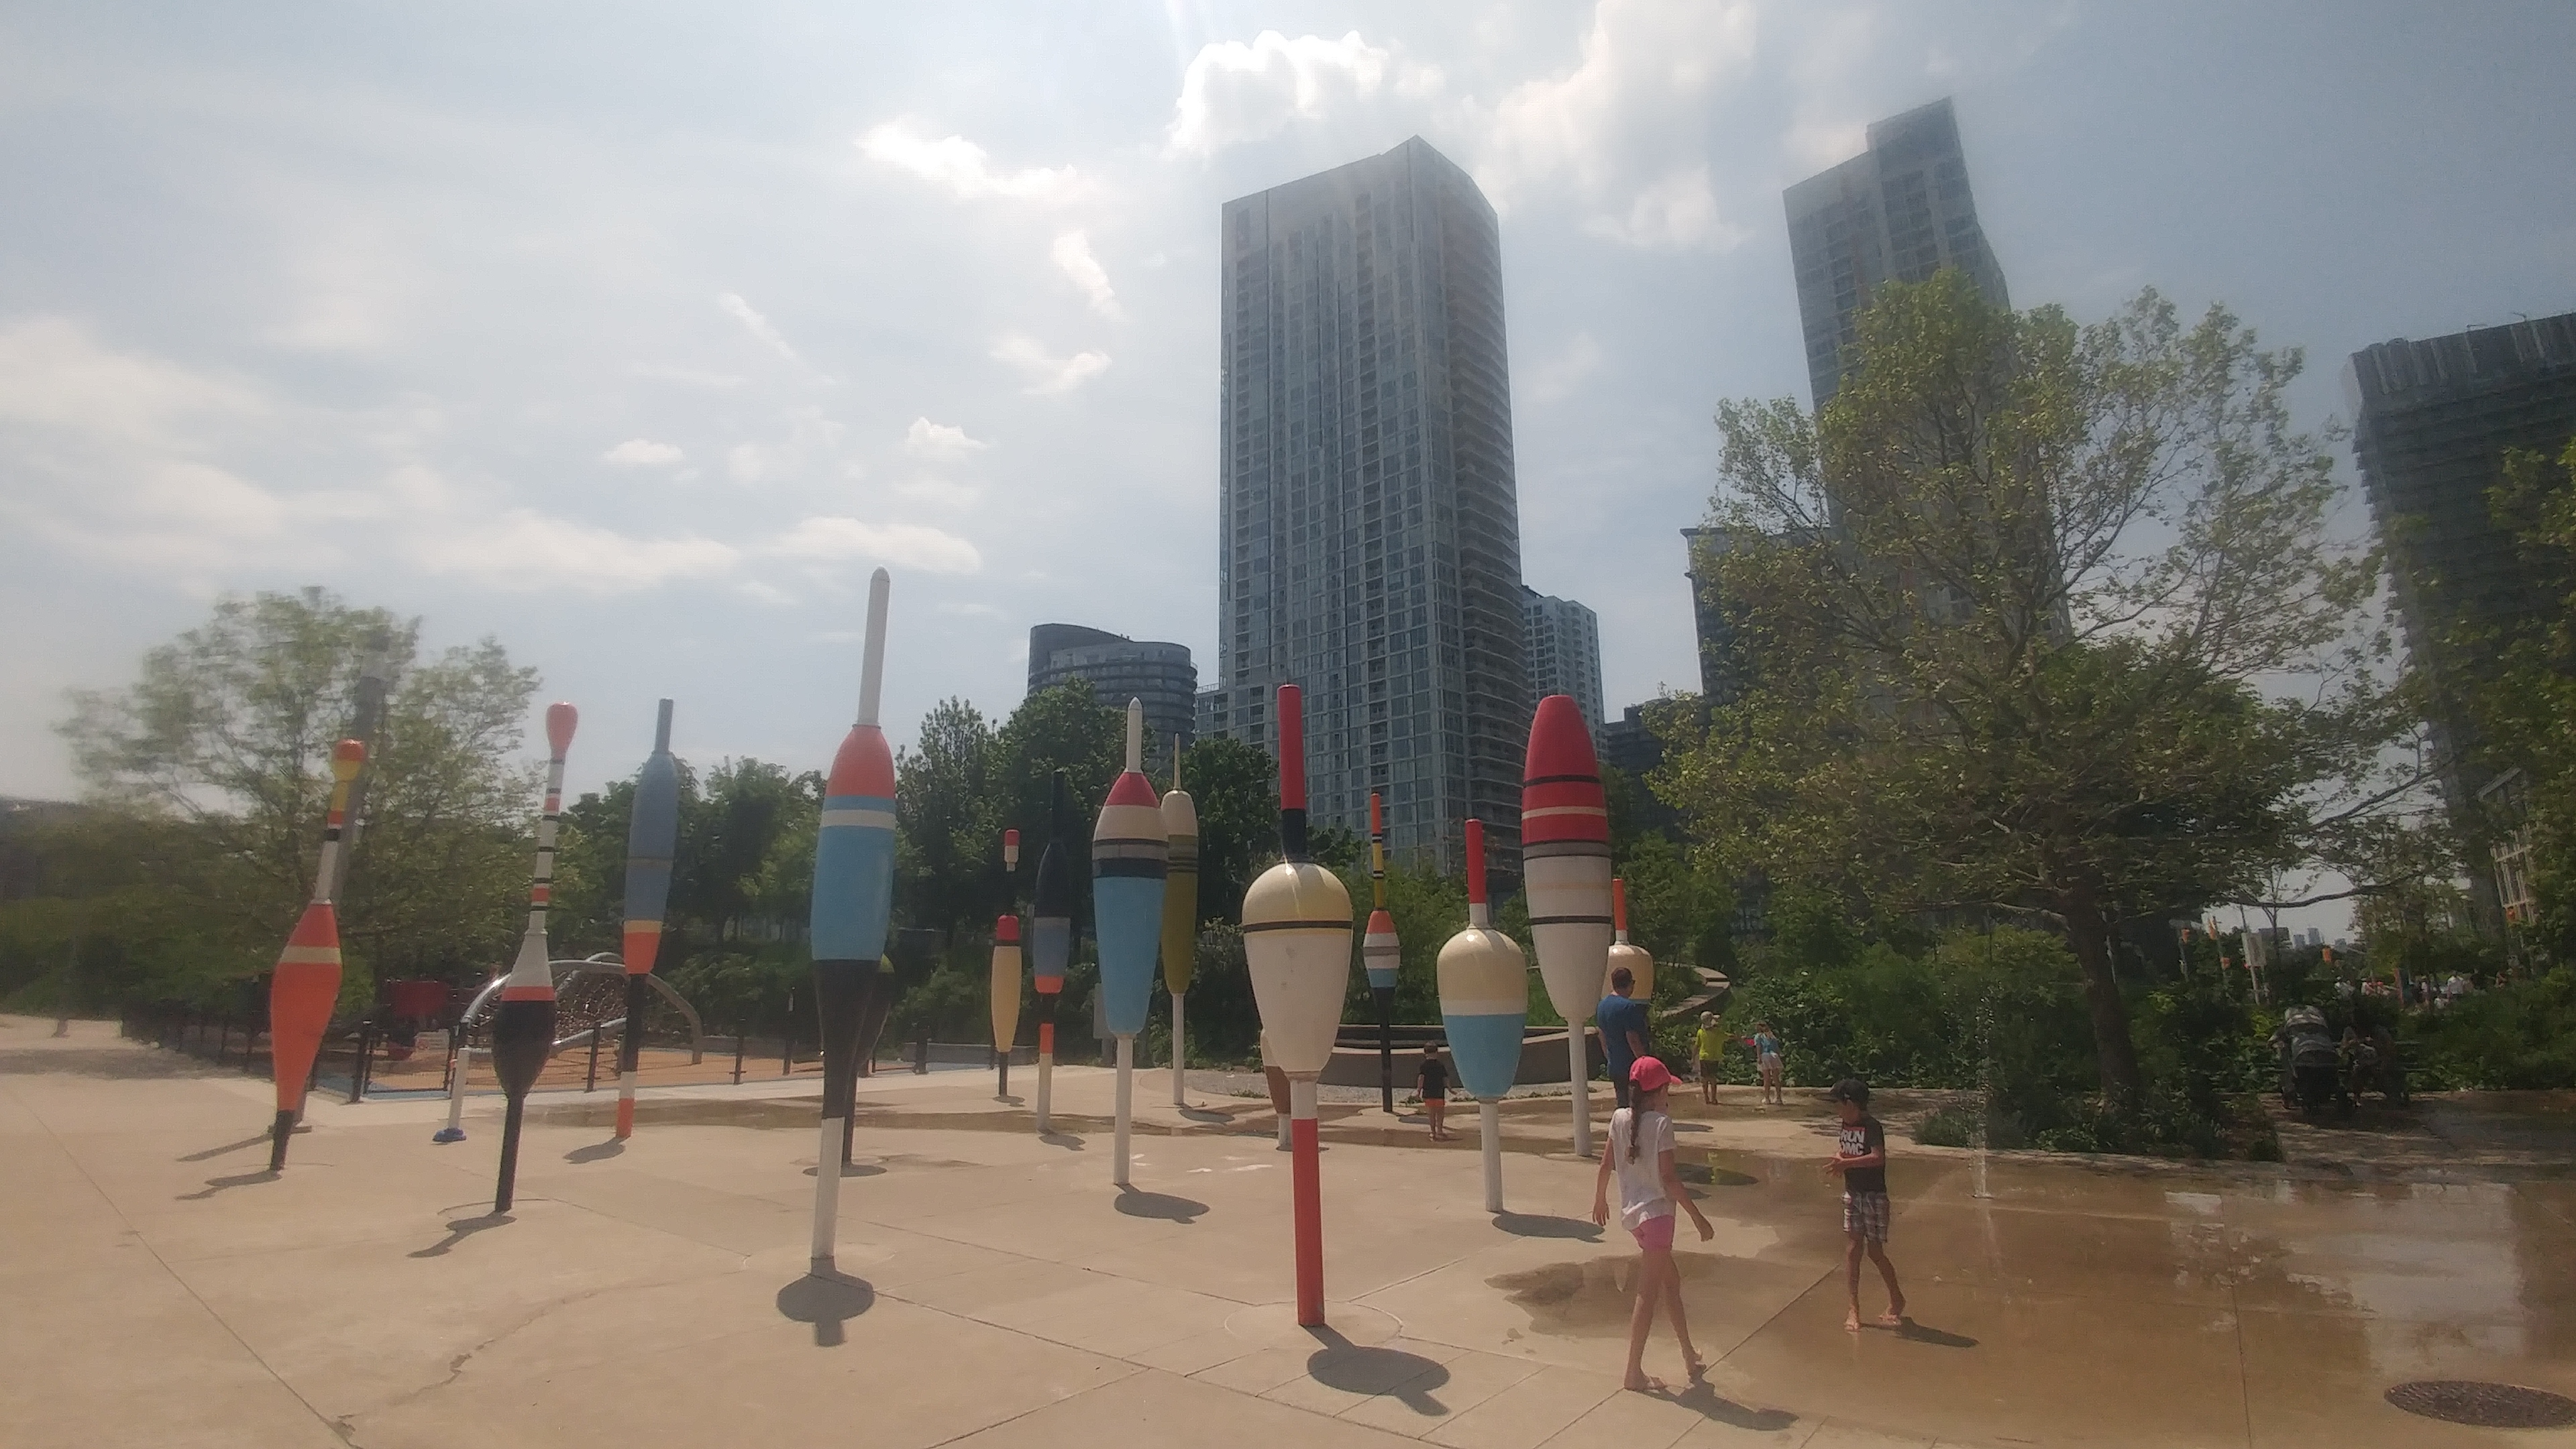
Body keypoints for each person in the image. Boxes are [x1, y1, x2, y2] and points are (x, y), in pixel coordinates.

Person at [1589, 1058, 1714, 1393]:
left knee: (1671, 1283)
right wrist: (1698, 1218)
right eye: (1667, 1089)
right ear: (1658, 1091)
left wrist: (1600, 1199)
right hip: (1658, 1218)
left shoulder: (1619, 1118)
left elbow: (1605, 1164)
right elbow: (1669, 1179)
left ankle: (1689, 1355)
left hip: (1636, 1220)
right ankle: (1633, 1373)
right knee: (1647, 1295)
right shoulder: (1661, 1124)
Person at [1825, 1078, 1905, 1332]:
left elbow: (1877, 1158)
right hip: (1853, 1193)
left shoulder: (1872, 1126)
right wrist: (1839, 1159)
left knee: (1875, 1252)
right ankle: (1853, 1307)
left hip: (1874, 1196)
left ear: (1850, 1103)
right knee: (1853, 1248)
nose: (1835, 1109)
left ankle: (1897, 1298)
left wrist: (1846, 1164)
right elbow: (1847, 1151)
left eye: (1838, 1104)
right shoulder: (1846, 1124)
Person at [1596, 967, 1653, 1112]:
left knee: (1622, 1105)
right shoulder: (1628, 1007)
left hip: (1615, 1065)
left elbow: (1601, 1035)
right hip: (1631, 1066)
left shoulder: (1602, 1006)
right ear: (1630, 984)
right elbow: (1632, 1038)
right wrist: (1644, 1062)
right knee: (1637, 1107)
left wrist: (1609, 1057)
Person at [1744, 1022, 1784, 1106]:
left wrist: (1759, 1058)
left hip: (1765, 1055)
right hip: (1774, 1055)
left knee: (1767, 1078)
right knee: (1776, 1078)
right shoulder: (1772, 1036)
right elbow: (1777, 1049)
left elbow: (1758, 1047)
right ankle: (1778, 1098)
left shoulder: (1758, 1036)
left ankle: (1767, 1098)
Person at [1418, 1046, 1452, 1142]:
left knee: (1431, 1113)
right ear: (1436, 1053)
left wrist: (1419, 1090)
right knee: (1440, 1112)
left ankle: (1433, 1132)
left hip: (1428, 1092)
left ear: (1425, 1054)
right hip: (1439, 1092)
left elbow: (1421, 1078)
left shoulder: (1424, 1065)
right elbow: (1445, 1078)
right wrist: (1450, 1088)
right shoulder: (1440, 1065)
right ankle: (1440, 1131)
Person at [1694, 1011, 1727, 1106]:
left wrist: (1693, 1057)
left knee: (1705, 1079)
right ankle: (1714, 1098)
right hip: (1714, 1058)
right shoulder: (1717, 1032)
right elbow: (1728, 1036)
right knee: (1713, 1079)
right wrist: (1739, 1038)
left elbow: (1697, 1045)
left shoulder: (1700, 1032)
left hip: (1703, 1057)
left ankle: (1706, 1098)